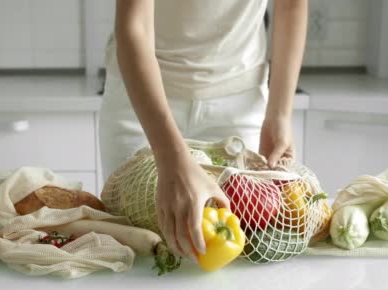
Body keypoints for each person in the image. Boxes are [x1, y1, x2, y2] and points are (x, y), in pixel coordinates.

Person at [99, 0, 307, 261]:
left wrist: (280, 113)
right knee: (137, 252)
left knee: (241, 252)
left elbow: (292, 5)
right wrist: (170, 158)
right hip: (140, 104)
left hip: (239, 104)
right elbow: (134, 25)